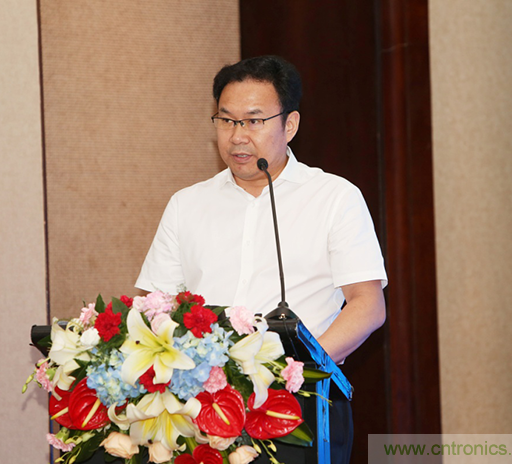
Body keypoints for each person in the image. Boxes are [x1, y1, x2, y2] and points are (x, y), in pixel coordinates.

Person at [135, 55, 387, 463]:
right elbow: (152, 308)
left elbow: (368, 306)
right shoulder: (187, 205)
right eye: (226, 120)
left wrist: (295, 373)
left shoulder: (334, 198)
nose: (237, 136)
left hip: (299, 407)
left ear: (290, 125)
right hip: (199, 408)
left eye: (254, 121)